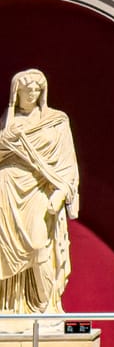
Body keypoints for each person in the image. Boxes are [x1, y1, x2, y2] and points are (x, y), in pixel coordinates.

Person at [0, 69, 80, 315]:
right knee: (3, 247)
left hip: (39, 189)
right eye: (27, 89)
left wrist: (61, 192)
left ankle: (48, 307)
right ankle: (10, 306)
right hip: (7, 186)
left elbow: (68, 162)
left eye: (36, 89)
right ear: (17, 92)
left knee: (38, 244)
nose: (32, 94)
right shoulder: (7, 122)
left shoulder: (57, 121)